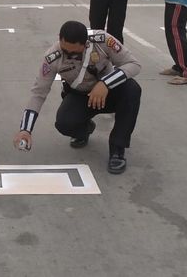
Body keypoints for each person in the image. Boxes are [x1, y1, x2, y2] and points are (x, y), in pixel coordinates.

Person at [12, 21, 142, 174]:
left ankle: (117, 149)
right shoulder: (52, 57)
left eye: (75, 53)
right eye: (66, 51)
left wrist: (105, 84)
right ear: (59, 38)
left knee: (132, 89)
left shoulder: (103, 41)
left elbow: (133, 64)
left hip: (108, 93)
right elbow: (38, 93)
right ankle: (85, 129)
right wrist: (25, 129)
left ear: (86, 43)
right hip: (81, 96)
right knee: (64, 123)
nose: (70, 55)